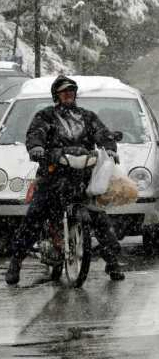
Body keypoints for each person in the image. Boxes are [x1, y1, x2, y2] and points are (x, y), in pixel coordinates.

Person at [5, 75, 125, 285]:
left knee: (99, 218)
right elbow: (35, 134)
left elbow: (102, 134)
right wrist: (37, 147)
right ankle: (16, 261)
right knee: (35, 215)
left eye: (71, 91)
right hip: (53, 176)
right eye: (64, 92)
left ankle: (113, 262)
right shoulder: (46, 116)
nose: (68, 94)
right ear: (56, 96)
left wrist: (110, 147)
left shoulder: (87, 116)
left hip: (82, 178)